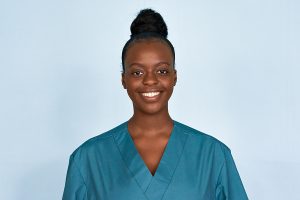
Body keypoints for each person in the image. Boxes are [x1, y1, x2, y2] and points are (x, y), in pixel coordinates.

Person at [62, 9, 248, 200]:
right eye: (137, 72)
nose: (150, 80)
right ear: (123, 79)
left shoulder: (213, 156)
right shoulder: (88, 159)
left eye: (161, 71)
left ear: (174, 77)